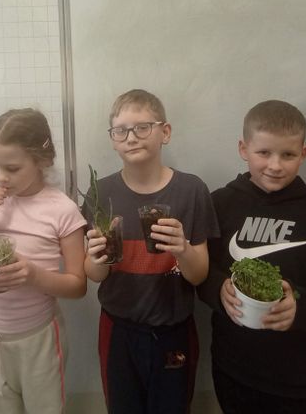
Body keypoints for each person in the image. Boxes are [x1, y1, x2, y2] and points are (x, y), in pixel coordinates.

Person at [197, 100, 306, 414]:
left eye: (287, 155)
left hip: (302, 378)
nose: (275, 165)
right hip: (234, 370)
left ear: (303, 154)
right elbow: (200, 272)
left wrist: (302, 305)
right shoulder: (220, 204)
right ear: (243, 149)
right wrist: (218, 289)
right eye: (264, 153)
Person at [83, 89, 219, 414]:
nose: (131, 137)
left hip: (173, 330)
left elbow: (199, 275)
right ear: (113, 140)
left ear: (165, 132)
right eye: (121, 131)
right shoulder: (101, 192)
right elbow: (94, 274)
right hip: (118, 329)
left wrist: (183, 249)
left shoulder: (191, 190)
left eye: (142, 127)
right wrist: (97, 256)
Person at [0, 108, 86, 414]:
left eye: (12, 168)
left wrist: (33, 275)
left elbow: (78, 286)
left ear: (42, 160)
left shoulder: (62, 210)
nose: (1, 177)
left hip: (39, 338)